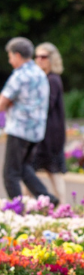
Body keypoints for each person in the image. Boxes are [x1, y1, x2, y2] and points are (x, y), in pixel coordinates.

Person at [0, 37, 59, 205]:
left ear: (17, 55)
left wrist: (9, 103)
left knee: (10, 173)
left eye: (10, 57)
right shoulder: (39, 73)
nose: (10, 61)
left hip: (19, 129)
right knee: (24, 168)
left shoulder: (20, 75)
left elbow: (2, 102)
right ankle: (49, 199)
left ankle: (17, 209)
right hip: (36, 131)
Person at [32, 42, 66, 200]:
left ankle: (63, 206)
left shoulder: (52, 79)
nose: (39, 59)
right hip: (46, 134)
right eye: (37, 56)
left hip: (50, 135)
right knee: (36, 171)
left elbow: (45, 106)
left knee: (50, 172)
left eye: (43, 56)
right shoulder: (47, 78)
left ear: (52, 59)